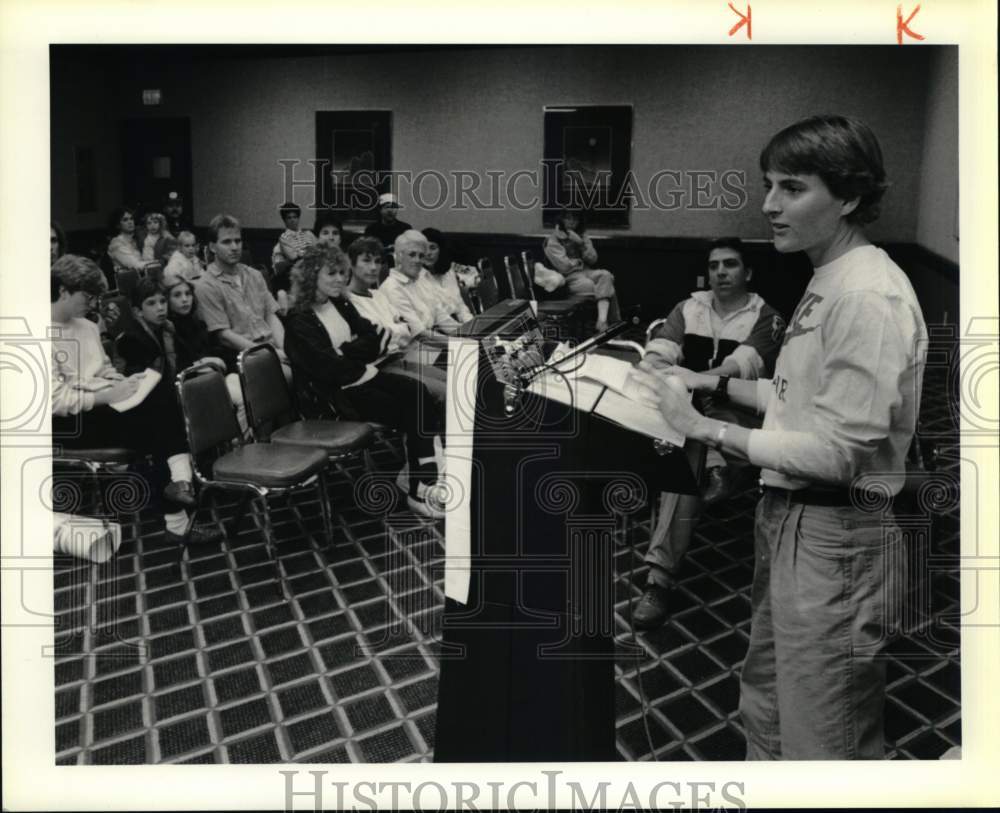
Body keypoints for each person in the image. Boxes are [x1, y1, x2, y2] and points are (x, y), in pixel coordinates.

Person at [628, 115, 927, 760]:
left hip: (836, 531)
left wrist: (701, 428)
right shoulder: (827, 279)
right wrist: (705, 382)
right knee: (766, 702)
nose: (768, 205)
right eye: (768, 185)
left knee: (826, 737)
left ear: (848, 196)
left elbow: (837, 453)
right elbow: (795, 403)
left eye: (792, 188)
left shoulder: (868, 296)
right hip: (791, 519)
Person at [632, 238, 785, 630]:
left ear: (747, 273)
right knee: (689, 446)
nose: (721, 272)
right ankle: (660, 574)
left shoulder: (767, 316)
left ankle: (659, 580)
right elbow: (658, 351)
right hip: (690, 423)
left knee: (688, 437)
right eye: (715, 265)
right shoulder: (688, 308)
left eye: (731, 265)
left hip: (741, 421)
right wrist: (659, 368)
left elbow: (738, 369)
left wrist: (690, 380)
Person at [50, 255, 221, 544]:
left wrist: (121, 381)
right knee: (159, 417)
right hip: (69, 425)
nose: (92, 304)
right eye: (87, 296)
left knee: (159, 394)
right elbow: (56, 401)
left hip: (104, 406)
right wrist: (107, 395)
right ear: (63, 291)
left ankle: (178, 495)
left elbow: (103, 369)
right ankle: (180, 494)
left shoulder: (87, 327)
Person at [283, 244, 447, 519]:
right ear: (312, 276)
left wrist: (345, 351)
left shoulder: (339, 302)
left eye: (341, 272)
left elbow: (376, 337)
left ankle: (418, 478)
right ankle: (420, 485)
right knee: (410, 408)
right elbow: (328, 369)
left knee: (417, 392)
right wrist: (353, 352)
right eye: (331, 273)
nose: (339, 279)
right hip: (333, 399)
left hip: (361, 378)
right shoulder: (299, 319)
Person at [346, 236, 449, 402]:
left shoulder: (378, 295)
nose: (373, 268)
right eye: (366, 261)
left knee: (455, 382)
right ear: (351, 263)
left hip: (399, 358)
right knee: (444, 392)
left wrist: (391, 330)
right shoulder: (348, 301)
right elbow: (377, 338)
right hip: (377, 367)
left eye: (378, 262)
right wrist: (395, 329)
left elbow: (405, 331)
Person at [193, 213, 290, 373]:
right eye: (226, 242)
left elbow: (271, 316)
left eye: (237, 241)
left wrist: (285, 350)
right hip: (242, 356)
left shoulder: (254, 275)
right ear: (212, 247)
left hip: (272, 346)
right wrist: (273, 354)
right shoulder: (206, 285)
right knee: (291, 376)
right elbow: (224, 336)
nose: (234, 247)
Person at [542, 208, 620, 331]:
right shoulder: (553, 240)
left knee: (606, 276)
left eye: (575, 218)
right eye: (568, 218)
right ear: (561, 219)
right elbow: (564, 267)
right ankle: (612, 329)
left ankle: (602, 321)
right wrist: (578, 262)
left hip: (586, 271)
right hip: (567, 279)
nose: (572, 222)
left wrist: (581, 244)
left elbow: (593, 259)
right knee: (604, 288)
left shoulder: (582, 236)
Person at [380, 230, 463, 337]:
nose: (417, 260)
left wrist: (466, 334)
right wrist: (461, 343)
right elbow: (420, 334)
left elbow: (440, 316)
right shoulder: (392, 287)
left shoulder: (420, 280)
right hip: (413, 348)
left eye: (421, 256)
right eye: (412, 254)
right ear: (399, 256)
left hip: (434, 342)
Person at [421, 227, 476, 323]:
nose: (428, 253)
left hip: (457, 327)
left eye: (432, 248)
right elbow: (440, 320)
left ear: (441, 251)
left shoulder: (449, 272)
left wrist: (471, 324)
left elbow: (460, 306)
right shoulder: (417, 279)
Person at [106, 206, 158, 278]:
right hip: (129, 283)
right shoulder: (116, 243)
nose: (130, 222)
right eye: (125, 220)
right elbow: (136, 265)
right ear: (117, 225)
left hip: (144, 278)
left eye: (131, 219)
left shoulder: (136, 239)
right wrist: (160, 262)